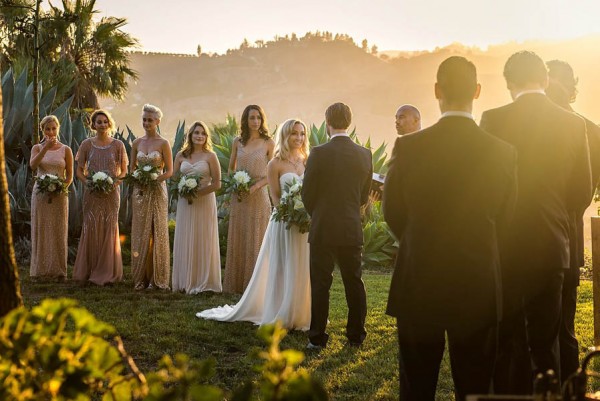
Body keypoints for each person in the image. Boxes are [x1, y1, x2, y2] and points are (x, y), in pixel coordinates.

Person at [384, 56, 517, 401]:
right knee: (475, 385)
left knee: (416, 384)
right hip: (477, 282)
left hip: (419, 278)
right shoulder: (502, 152)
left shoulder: (409, 147)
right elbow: (506, 217)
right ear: (476, 91)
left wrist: (418, 241)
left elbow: (393, 211)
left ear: (436, 90)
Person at [480, 51, 592, 392]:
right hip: (552, 246)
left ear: (509, 82)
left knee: (506, 342)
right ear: (544, 79)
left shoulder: (493, 118)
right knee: (546, 344)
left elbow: (482, 187)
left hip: (505, 249)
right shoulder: (573, 124)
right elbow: (582, 193)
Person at [197, 119, 311, 329]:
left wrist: (305, 212)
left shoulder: (308, 160)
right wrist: (289, 213)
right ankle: (280, 310)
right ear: (286, 135)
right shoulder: (275, 163)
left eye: (302, 134)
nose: (299, 138)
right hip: (284, 222)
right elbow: (275, 198)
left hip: (303, 225)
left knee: (302, 267)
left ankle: (301, 312)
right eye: (294, 133)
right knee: (282, 266)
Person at [546, 59, 600, 383]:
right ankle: (567, 384)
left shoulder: (583, 130)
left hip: (554, 231)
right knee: (563, 322)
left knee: (555, 323)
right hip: (570, 230)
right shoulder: (592, 129)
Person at [302, 102, 372, 349]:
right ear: (349, 122)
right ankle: (355, 336)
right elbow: (364, 195)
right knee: (354, 282)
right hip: (351, 225)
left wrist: (318, 212)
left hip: (323, 226)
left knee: (321, 284)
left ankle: (317, 338)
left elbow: (307, 192)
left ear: (327, 123)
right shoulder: (365, 154)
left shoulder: (318, 153)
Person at [223, 105, 275, 294]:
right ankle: (236, 284)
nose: (255, 121)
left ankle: (256, 286)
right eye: (251, 118)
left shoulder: (268, 142)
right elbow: (231, 168)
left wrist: (255, 186)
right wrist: (236, 183)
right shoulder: (237, 142)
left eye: (258, 118)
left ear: (262, 120)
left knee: (257, 237)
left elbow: (272, 173)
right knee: (240, 235)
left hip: (259, 196)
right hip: (240, 196)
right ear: (245, 120)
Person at [73, 110, 128, 285]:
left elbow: (125, 171)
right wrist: (88, 183)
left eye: (105, 122)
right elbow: (79, 171)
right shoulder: (86, 144)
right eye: (99, 122)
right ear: (93, 125)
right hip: (92, 194)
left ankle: (107, 271)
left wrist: (114, 184)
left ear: (109, 123)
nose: (102, 125)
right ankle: (90, 270)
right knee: (91, 225)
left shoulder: (118, 145)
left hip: (112, 194)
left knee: (109, 226)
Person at [172, 121, 222, 294]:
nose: (200, 136)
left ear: (206, 137)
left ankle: (204, 280)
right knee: (186, 236)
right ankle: (185, 279)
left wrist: (197, 193)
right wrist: (183, 189)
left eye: (203, 133)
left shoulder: (211, 156)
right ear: (190, 136)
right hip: (185, 202)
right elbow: (174, 179)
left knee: (203, 237)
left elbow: (217, 184)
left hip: (205, 201)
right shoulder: (180, 155)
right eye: (196, 133)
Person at [130, 104, 173, 290]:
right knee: (141, 232)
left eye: (150, 120)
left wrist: (155, 179)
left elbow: (170, 171)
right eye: (144, 119)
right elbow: (132, 168)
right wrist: (139, 179)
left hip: (157, 191)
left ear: (158, 122)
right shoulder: (136, 143)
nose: (146, 123)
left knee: (158, 232)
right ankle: (141, 278)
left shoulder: (163, 143)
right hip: (140, 191)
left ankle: (158, 279)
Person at [30, 115, 73, 281]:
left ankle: (59, 272)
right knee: (41, 229)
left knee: (58, 229)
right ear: (43, 130)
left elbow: (69, 175)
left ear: (58, 129)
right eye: (47, 129)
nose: (51, 132)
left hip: (59, 195)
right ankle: (39, 271)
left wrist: (61, 188)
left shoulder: (66, 149)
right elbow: (33, 166)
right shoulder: (36, 148)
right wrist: (45, 148)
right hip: (40, 194)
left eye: (53, 128)